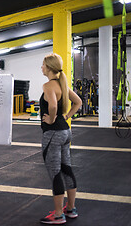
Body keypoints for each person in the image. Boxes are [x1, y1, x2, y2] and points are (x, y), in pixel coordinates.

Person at [39, 53, 82, 224]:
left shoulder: (49, 85)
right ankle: (70, 209)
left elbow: (53, 105)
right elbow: (78, 102)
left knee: (55, 173)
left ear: (49, 67)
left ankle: (58, 214)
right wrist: (66, 117)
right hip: (65, 132)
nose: (41, 67)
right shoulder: (62, 85)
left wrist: (51, 118)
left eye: (43, 65)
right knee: (67, 170)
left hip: (53, 134)